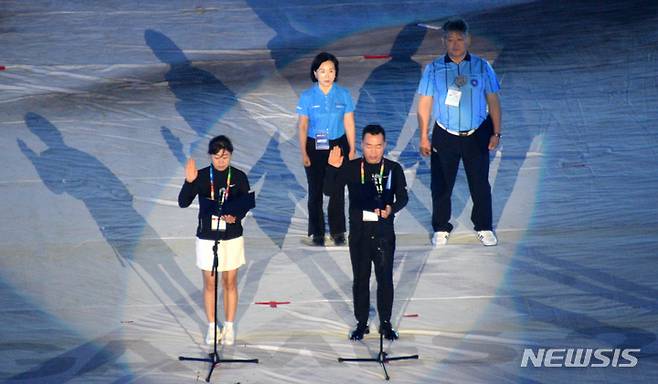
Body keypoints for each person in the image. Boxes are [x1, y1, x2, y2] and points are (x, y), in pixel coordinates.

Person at [416, 18, 502, 247]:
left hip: (477, 134)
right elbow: (424, 103)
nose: (455, 44)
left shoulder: (482, 66)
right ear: (444, 41)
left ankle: (483, 225)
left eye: (460, 39)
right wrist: (424, 135)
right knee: (441, 184)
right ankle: (441, 227)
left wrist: (496, 132)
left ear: (468, 39)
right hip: (445, 134)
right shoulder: (434, 68)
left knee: (480, 184)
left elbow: (493, 100)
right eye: (451, 40)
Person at [325, 124, 408, 341]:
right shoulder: (352, 168)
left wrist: (391, 208)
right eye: (369, 146)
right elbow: (328, 191)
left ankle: (386, 323)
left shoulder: (393, 169)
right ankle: (361, 323)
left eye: (378, 146)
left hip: (383, 234)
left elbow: (403, 197)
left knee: (385, 279)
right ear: (362, 145)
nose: (373, 151)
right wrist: (332, 168)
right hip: (360, 235)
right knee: (361, 280)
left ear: (384, 146)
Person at [178, 135, 251, 345]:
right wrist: (188, 182)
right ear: (211, 156)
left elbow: (245, 204)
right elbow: (183, 202)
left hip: (232, 236)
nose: (221, 161)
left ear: (231, 155)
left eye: (225, 156)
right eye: (217, 156)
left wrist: (235, 216)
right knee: (209, 284)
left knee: (230, 282)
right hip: (207, 237)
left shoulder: (239, 176)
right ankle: (212, 327)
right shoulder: (201, 176)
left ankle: (229, 326)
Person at [297, 51, 356, 246]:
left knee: (337, 189)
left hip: (338, 144)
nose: (327, 75)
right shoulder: (307, 96)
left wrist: (352, 148)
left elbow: (348, 121)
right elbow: (303, 125)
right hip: (315, 145)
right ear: (315, 73)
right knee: (315, 190)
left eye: (331, 70)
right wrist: (304, 152)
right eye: (322, 71)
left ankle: (338, 231)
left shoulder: (343, 94)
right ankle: (317, 232)